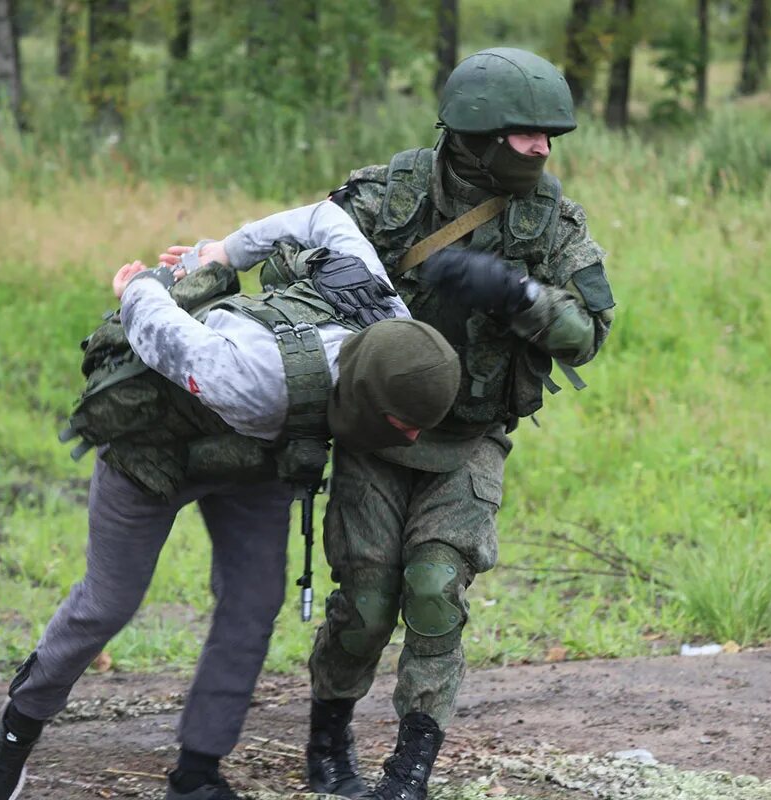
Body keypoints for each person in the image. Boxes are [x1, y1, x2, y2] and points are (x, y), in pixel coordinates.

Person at [0, 200, 462, 800]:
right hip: (155, 451)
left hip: (254, 461)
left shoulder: (384, 311)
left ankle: (197, 774)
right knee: (108, 603)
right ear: (365, 395)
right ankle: (16, 728)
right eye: (401, 424)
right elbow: (159, 332)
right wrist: (144, 285)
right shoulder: (252, 376)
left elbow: (328, 221)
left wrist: (226, 249)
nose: (411, 437)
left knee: (254, 604)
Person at [300, 48, 617, 800]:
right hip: (375, 434)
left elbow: (588, 334)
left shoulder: (552, 225)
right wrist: (342, 282)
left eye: (550, 135)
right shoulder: (389, 196)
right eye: (524, 133)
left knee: (436, 592)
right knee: (368, 604)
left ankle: (410, 772)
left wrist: (517, 294)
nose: (542, 148)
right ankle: (327, 742)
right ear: (475, 132)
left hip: (470, 437)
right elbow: (295, 264)